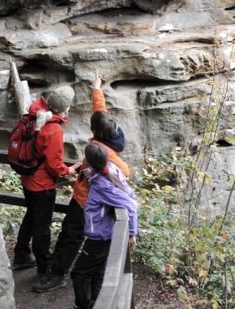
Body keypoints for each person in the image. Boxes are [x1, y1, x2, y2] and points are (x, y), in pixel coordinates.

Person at [32, 71, 130, 292]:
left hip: (88, 200)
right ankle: (59, 272)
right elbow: (100, 111)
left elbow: (125, 171)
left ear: (96, 132)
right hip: (84, 196)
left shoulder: (104, 151)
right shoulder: (107, 131)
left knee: (71, 236)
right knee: (69, 234)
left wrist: (93, 171)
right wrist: (97, 88)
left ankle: (57, 276)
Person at [12, 85, 78, 282]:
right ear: (65, 108)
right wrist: (69, 171)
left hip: (27, 179)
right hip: (42, 186)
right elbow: (54, 164)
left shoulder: (34, 114)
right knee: (42, 227)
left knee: (31, 217)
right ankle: (43, 267)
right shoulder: (53, 129)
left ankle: (21, 254)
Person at [70, 142, 138, 309]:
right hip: (105, 234)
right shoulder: (110, 170)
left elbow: (130, 204)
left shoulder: (102, 185)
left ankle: (84, 305)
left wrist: (131, 233)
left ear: (90, 161)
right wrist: (92, 174)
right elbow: (127, 190)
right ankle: (97, 303)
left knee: (78, 273)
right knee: (98, 273)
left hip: (99, 236)